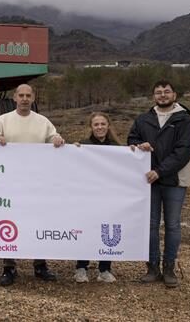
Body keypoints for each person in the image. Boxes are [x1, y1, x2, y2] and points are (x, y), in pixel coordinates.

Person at [0, 84, 64, 286]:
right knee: (9, 222)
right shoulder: (3, 120)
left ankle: (40, 264)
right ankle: (9, 266)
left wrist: (57, 140)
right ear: (15, 97)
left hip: (37, 183)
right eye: (21, 95)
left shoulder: (43, 121)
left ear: (33, 98)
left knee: (38, 221)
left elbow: (54, 137)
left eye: (28, 95)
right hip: (10, 182)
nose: (25, 99)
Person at [128, 80, 190, 288]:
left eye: (167, 92)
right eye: (158, 92)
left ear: (174, 95)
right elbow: (131, 139)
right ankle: (152, 267)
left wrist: (159, 171)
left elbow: (183, 151)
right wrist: (139, 145)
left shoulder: (184, 120)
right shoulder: (143, 119)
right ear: (153, 96)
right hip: (149, 181)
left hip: (174, 180)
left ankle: (169, 268)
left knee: (172, 225)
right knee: (151, 225)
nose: (163, 95)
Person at [72, 112, 121, 283]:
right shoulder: (83, 145)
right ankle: (81, 268)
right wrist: (72, 150)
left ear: (108, 126)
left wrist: (135, 152)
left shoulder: (117, 147)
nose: (100, 127)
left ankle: (105, 269)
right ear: (91, 127)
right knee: (86, 229)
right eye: (96, 124)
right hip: (88, 196)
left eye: (103, 124)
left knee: (106, 230)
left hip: (109, 197)